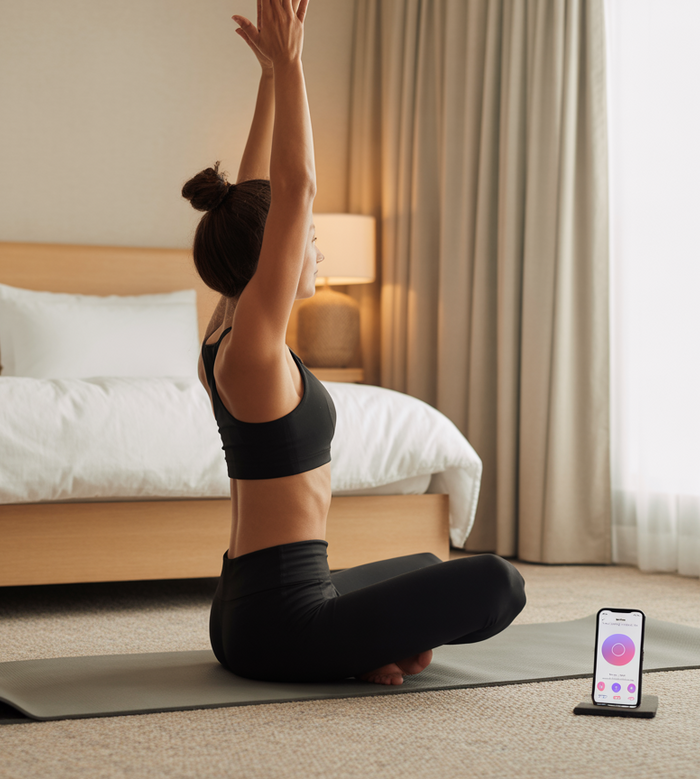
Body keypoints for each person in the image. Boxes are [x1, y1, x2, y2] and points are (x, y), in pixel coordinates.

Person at [182, 0, 525, 685]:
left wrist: (267, 82)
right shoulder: (252, 349)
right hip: (278, 620)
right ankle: (341, 650)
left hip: (249, 607)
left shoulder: (224, 333)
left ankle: (357, 647)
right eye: (305, 241)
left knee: (427, 567)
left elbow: (252, 200)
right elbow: (291, 189)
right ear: (270, 260)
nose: (312, 251)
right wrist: (291, 63)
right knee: (499, 583)